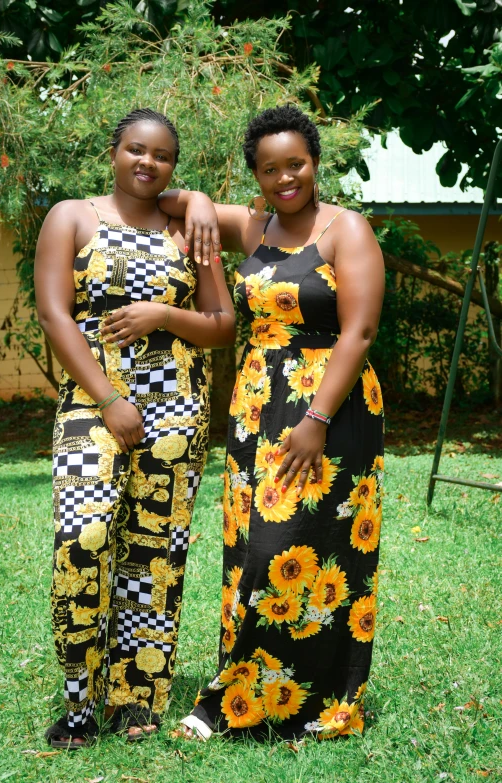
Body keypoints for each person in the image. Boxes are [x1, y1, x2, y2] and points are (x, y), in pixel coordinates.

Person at [159, 104, 385, 741]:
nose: (284, 178)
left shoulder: (347, 230)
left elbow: (360, 330)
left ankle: (318, 701)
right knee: (249, 549)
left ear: (315, 163)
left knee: (309, 547)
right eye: (269, 169)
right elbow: (164, 197)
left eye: (296, 164)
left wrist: (316, 418)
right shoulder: (254, 227)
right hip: (256, 405)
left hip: (330, 407)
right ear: (255, 175)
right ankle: (245, 692)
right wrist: (201, 197)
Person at [34, 107, 235, 748]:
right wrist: (108, 398)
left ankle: (134, 696)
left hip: (177, 411)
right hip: (92, 406)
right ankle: (77, 699)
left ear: (174, 167)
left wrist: (160, 316)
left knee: (154, 557)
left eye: (163, 156)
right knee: (83, 539)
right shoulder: (73, 216)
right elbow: (54, 314)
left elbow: (222, 323)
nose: (148, 163)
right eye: (136, 151)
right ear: (114, 152)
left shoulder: (189, 228)